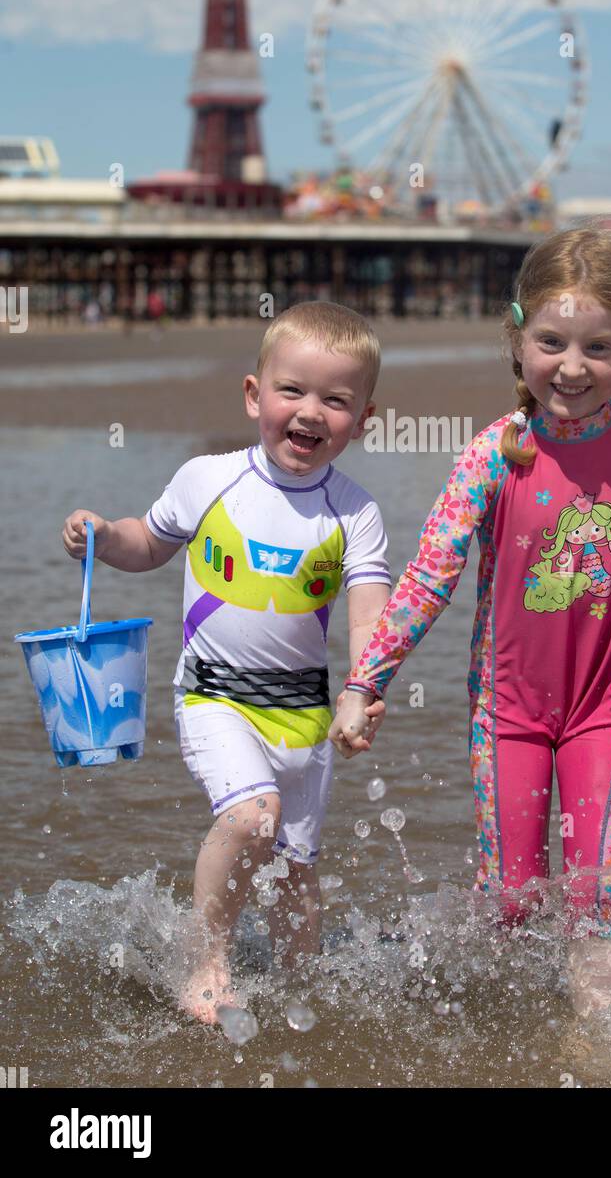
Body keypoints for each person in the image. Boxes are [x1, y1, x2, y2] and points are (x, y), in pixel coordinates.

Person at [329, 222, 611, 1018]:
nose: (572, 367)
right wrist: (365, 680)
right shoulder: (491, 455)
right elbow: (426, 581)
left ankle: (598, 1037)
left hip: (603, 712)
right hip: (505, 714)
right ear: (518, 342)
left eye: (598, 348)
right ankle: (508, 1035)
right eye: (552, 341)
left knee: (598, 892)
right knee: (510, 900)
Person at [62, 302, 390, 1024]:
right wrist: (99, 536)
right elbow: (145, 542)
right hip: (214, 697)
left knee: (295, 874)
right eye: (292, 391)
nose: (310, 413)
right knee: (252, 815)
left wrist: (362, 691)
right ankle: (206, 957)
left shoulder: (355, 512)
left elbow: (369, 612)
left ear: (363, 419)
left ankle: (305, 989)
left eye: (335, 400)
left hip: (306, 713)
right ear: (254, 396)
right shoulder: (207, 479)